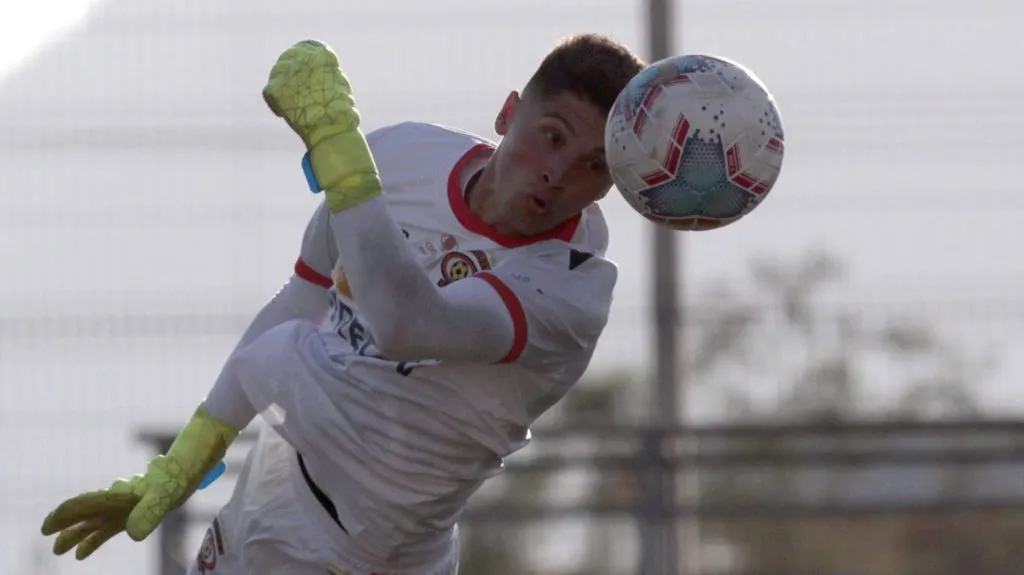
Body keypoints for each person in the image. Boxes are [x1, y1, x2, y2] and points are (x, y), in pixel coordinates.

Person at [40, 33, 646, 575]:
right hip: (272, 485)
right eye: (553, 137)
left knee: (285, 355)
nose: (558, 173)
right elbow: (301, 299)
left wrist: (338, 153)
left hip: (373, 549)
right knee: (284, 348)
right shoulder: (405, 156)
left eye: (594, 166)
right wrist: (183, 465)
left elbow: (406, 325)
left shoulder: (573, 287)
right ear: (509, 114)